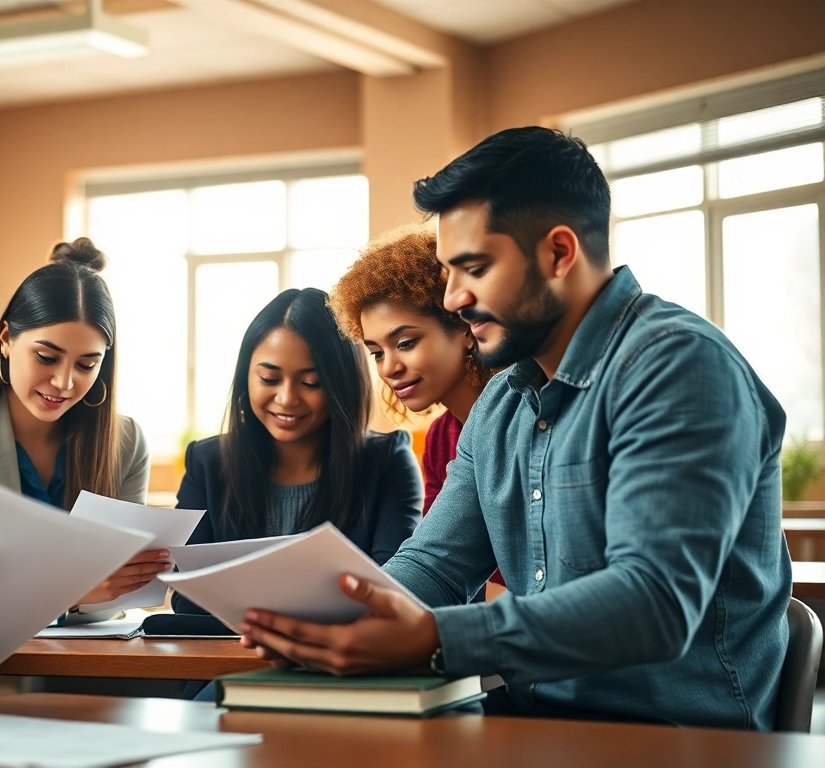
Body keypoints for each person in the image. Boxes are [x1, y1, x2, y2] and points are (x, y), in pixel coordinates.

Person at [238, 127, 791, 730]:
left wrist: (435, 636)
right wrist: (335, 617)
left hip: (676, 738)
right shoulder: (503, 401)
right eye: (449, 272)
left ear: (559, 253)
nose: (451, 298)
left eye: (474, 268)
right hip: (537, 722)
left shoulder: (678, 367)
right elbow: (435, 566)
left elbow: (654, 603)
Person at [0, 238, 161, 621]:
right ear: (6, 339)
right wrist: (74, 587)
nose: (64, 382)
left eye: (86, 365)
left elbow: (121, 589)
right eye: (47, 357)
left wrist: (39, 582)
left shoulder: (126, 442)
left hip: (96, 653)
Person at [172, 287, 422, 617]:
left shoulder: (387, 461)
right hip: (226, 660)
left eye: (311, 383)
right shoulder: (208, 463)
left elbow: (390, 594)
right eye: (269, 378)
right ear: (246, 376)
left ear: (341, 385)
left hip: (342, 663)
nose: (287, 398)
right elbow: (187, 598)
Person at [329, 226, 503, 595]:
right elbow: (435, 562)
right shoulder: (442, 439)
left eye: (405, 343)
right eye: (377, 352)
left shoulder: (522, 414)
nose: (388, 367)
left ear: (464, 327)